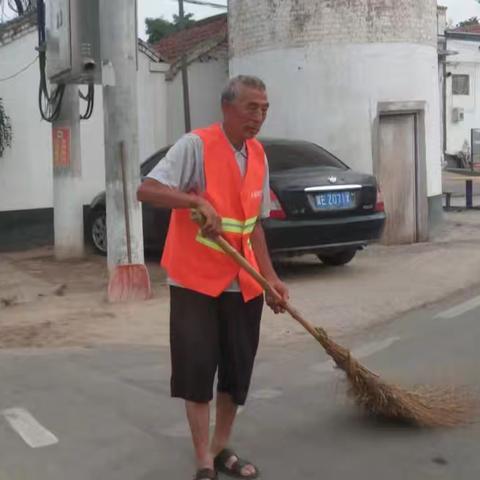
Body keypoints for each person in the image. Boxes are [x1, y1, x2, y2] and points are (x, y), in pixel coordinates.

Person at [137, 75, 289, 480]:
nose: (258, 117)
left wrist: (271, 278)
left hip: (245, 283)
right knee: (197, 370)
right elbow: (147, 190)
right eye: (250, 108)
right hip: (195, 281)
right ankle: (203, 457)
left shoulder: (258, 156)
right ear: (227, 108)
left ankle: (221, 446)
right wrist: (194, 200)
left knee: (236, 372)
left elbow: (255, 226)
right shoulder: (196, 146)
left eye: (264, 109)